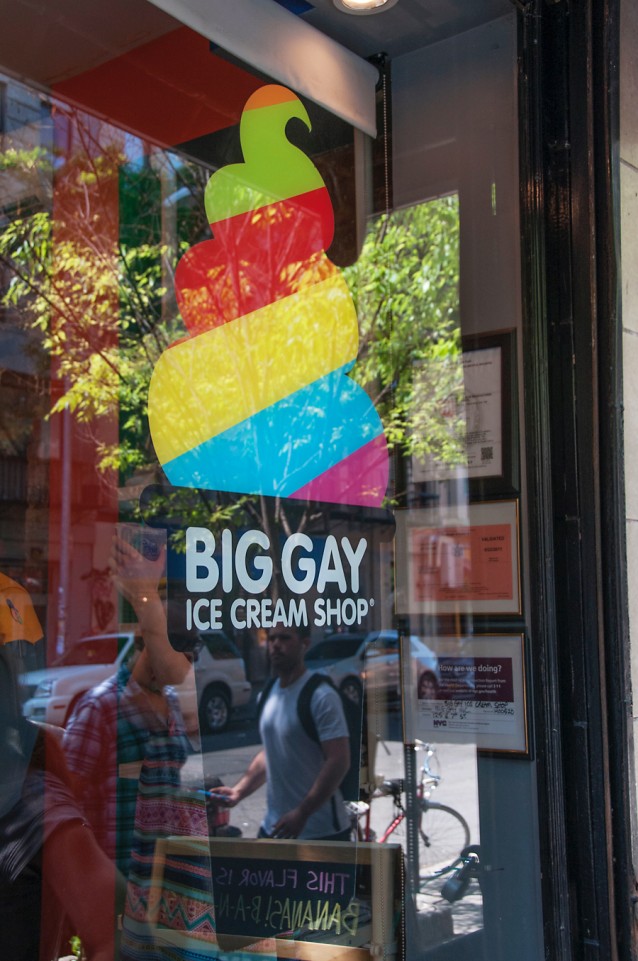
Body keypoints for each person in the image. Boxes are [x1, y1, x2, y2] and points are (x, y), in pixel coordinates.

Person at [220, 626, 351, 841]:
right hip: (274, 828)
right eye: (272, 639)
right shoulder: (267, 694)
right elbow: (272, 751)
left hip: (320, 833)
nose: (276, 645)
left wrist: (303, 812)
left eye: (284, 638)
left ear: (305, 644)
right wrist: (238, 791)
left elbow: (339, 760)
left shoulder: (321, 696)